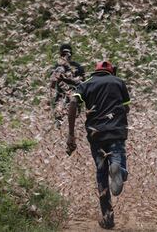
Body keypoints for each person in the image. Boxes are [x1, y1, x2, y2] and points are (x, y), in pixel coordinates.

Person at [66, 61, 131, 229]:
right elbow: (127, 108)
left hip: (96, 136)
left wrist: (71, 134)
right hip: (116, 132)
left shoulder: (86, 84)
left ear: (95, 72)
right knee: (118, 161)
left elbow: (73, 102)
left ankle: (108, 218)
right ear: (111, 71)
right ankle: (119, 169)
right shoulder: (118, 82)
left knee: (101, 174)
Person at [50, 44, 85, 128]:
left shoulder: (59, 66)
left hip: (70, 98)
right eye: (64, 54)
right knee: (65, 123)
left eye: (66, 54)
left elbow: (52, 82)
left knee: (70, 123)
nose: (65, 56)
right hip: (66, 98)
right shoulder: (77, 66)